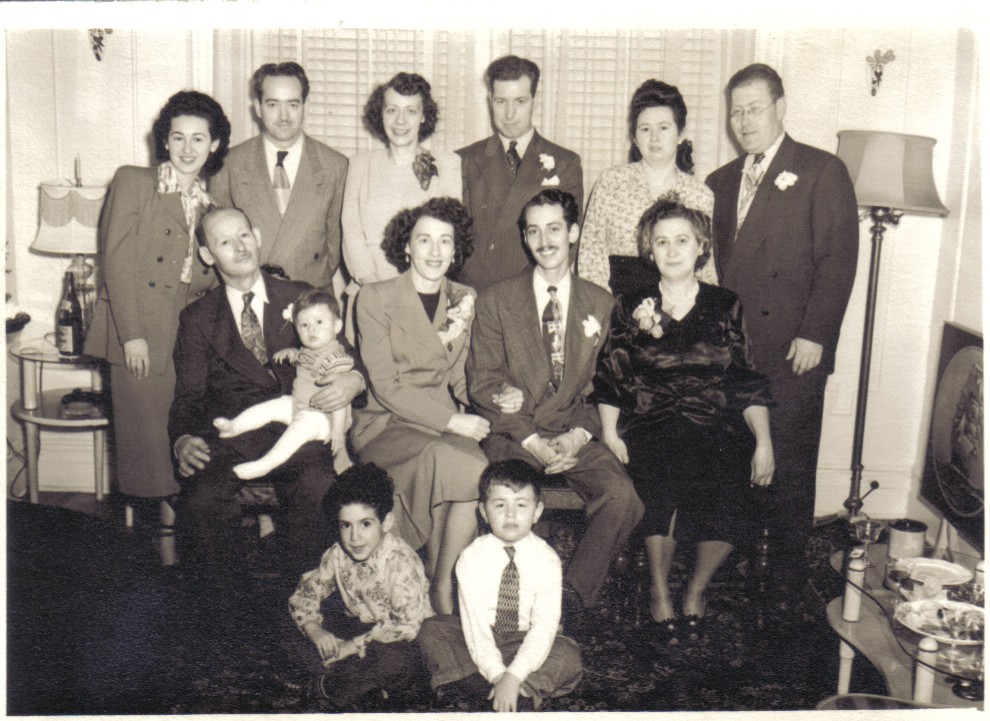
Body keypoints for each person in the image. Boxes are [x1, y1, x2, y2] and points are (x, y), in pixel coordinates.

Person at [705, 63, 858, 604]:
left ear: (780, 108)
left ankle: (788, 585)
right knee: (738, 464)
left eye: (755, 109)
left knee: (790, 469)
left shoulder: (821, 170)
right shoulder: (720, 182)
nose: (744, 121)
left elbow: (837, 260)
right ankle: (737, 565)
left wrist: (816, 333)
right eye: (736, 111)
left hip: (794, 351)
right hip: (735, 353)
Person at [592, 199, 774, 643]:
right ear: (649, 250)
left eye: (682, 241)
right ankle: (659, 591)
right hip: (650, 422)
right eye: (662, 242)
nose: (672, 251)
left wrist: (764, 442)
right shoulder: (630, 304)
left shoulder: (725, 304)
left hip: (716, 423)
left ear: (700, 247)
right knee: (660, 473)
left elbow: (746, 380)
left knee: (731, 477)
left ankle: (696, 589)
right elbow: (612, 377)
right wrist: (610, 433)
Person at [169, 207, 366, 606]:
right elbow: (188, 395)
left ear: (257, 236)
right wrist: (183, 438)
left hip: (299, 424)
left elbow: (349, 357)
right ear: (207, 255)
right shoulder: (197, 318)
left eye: (244, 235)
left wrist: (353, 380)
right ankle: (229, 612)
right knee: (200, 499)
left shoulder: (299, 295)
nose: (240, 246)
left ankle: (305, 604)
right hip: (233, 433)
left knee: (319, 484)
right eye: (225, 242)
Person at [467, 189, 644, 617]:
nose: (544, 241)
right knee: (509, 499)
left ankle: (571, 599)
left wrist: (577, 436)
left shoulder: (601, 303)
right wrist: (532, 440)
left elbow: (610, 385)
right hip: (515, 435)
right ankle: (506, 603)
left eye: (554, 229)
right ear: (524, 238)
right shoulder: (496, 300)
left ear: (573, 232)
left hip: (575, 431)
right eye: (533, 231)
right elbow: (482, 381)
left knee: (622, 497)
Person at [85, 90, 230, 515]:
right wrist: (132, 336)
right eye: (178, 137)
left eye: (198, 139)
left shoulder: (211, 206)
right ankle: (154, 545)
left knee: (179, 445)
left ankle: (175, 541)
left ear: (214, 144)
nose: (187, 148)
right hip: (140, 335)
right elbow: (116, 261)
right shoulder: (134, 182)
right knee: (147, 455)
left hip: (183, 341)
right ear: (164, 140)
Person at [350, 197, 489, 616]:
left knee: (473, 465)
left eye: (445, 241)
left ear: (456, 249)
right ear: (406, 246)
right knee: (460, 462)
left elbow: (460, 373)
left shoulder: (465, 297)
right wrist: (452, 421)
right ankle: (438, 587)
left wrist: (492, 400)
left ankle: (440, 580)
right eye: (423, 239)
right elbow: (385, 385)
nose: (434, 251)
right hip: (386, 423)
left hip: (443, 423)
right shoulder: (374, 297)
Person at [417, 460, 583, 712]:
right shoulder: (471, 558)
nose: (510, 514)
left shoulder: (547, 560)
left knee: (568, 654)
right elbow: (475, 628)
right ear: (484, 512)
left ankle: (515, 691)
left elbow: (543, 628)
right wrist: (497, 675)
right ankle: (499, 690)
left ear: (537, 511)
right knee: (432, 629)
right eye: (500, 505)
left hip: (524, 639)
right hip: (479, 639)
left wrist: (514, 675)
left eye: (521, 505)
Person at [286, 463, 432, 710]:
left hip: (398, 638)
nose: (354, 537)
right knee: (287, 627)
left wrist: (352, 647)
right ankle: (357, 684)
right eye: (346, 525)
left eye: (365, 524)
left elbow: (406, 625)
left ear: (386, 522)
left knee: (396, 661)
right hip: (358, 628)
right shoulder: (338, 553)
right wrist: (315, 630)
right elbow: (305, 594)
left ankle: (333, 686)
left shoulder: (401, 561)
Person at [342, 72, 462, 338]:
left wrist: (412, 296)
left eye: (410, 111)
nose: (400, 120)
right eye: (392, 110)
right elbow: (351, 233)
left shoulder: (448, 165)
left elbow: (448, 236)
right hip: (369, 296)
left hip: (426, 298)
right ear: (381, 113)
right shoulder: (360, 165)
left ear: (424, 116)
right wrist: (377, 292)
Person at [210, 61, 348, 289]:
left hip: (311, 297)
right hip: (248, 293)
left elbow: (334, 248)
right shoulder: (228, 164)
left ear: (306, 106)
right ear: (258, 107)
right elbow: (218, 241)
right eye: (273, 104)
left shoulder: (336, 166)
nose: (284, 116)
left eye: (293, 104)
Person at [578, 79, 716, 295]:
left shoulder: (700, 195)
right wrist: (607, 310)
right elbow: (590, 259)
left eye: (663, 128)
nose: (654, 138)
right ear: (634, 137)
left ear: (680, 134)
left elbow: (705, 268)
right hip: (617, 303)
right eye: (645, 129)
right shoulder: (610, 183)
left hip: (681, 304)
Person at [457, 55, 583, 293]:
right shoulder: (466, 159)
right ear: (489, 101)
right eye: (501, 102)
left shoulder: (566, 163)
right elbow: (454, 240)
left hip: (533, 293)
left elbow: (568, 243)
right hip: (475, 293)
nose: (509, 114)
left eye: (520, 101)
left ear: (535, 101)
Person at [212, 287, 354, 480]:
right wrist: (293, 353)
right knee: (270, 407)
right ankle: (234, 426)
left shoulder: (336, 359)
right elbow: (306, 361)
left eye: (319, 322)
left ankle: (263, 465)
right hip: (299, 404)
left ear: (337, 326)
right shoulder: (311, 350)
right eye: (304, 325)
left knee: (296, 432)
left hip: (323, 418)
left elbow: (340, 401)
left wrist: (337, 431)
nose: (311, 329)